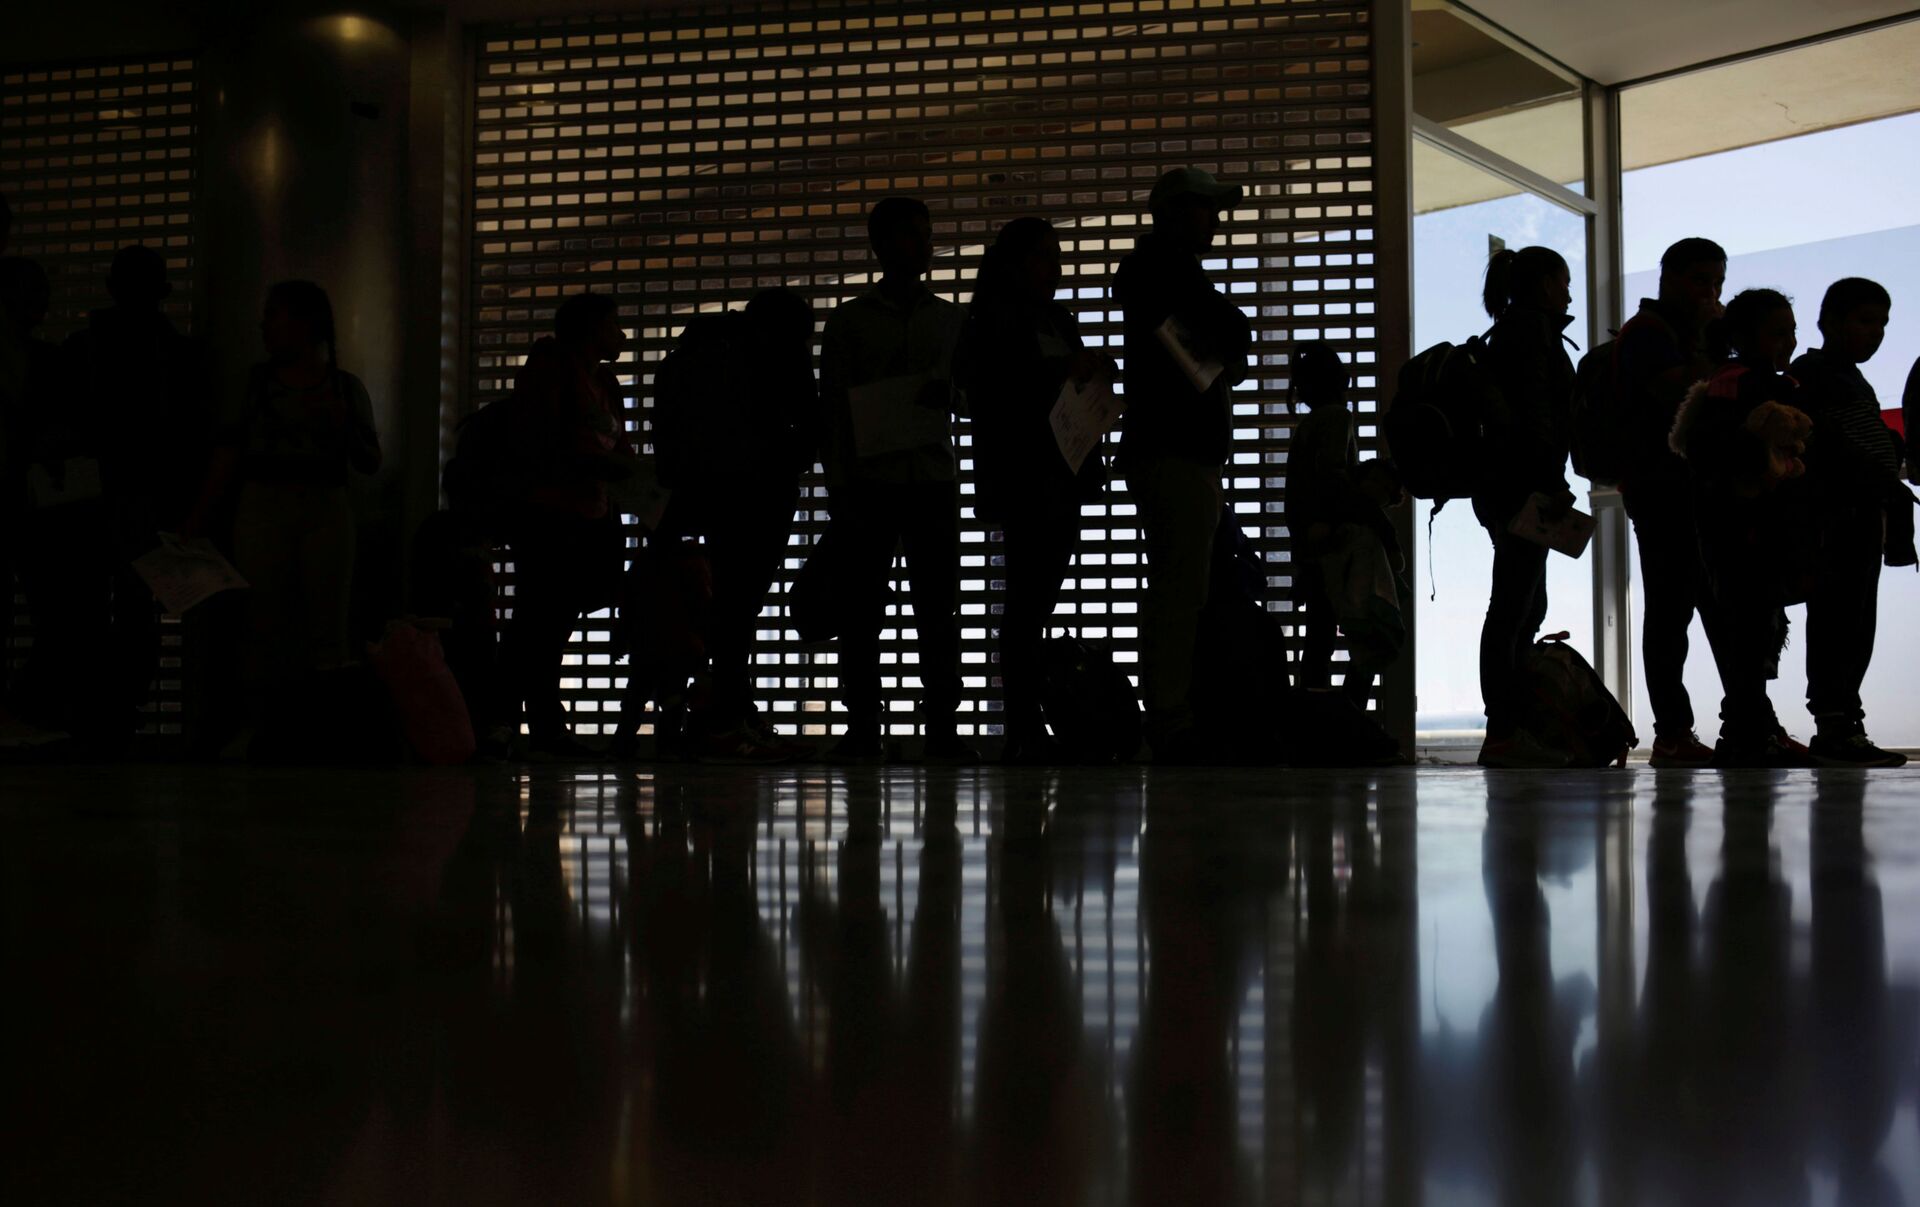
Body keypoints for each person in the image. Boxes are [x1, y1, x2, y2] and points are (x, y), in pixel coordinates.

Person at [187, 280, 381, 752]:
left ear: (305, 323)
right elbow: (228, 451)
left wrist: (343, 425)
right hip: (276, 503)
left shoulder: (337, 388)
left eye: (275, 315)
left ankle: (302, 729)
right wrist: (199, 516)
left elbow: (369, 459)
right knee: (266, 622)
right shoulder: (262, 385)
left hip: (310, 503)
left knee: (317, 623)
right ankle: (280, 728)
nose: (264, 325)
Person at [818, 196, 972, 763]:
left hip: (923, 478)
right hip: (876, 483)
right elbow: (833, 412)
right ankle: (868, 727)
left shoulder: (950, 320)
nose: (925, 245)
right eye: (913, 235)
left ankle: (933, 729)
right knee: (867, 612)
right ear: (881, 246)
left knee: (934, 609)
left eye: (926, 234)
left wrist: (949, 395)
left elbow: (972, 397)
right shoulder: (851, 323)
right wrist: (839, 485)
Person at [954, 217, 1110, 764]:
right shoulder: (992, 322)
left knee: (1033, 603)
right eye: (1045, 256)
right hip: (1025, 477)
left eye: (1057, 256)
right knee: (1026, 604)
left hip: (1063, 473)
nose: (1056, 268)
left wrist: (1092, 373)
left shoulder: (1056, 319)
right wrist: (1062, 368)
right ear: (1016, 263)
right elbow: (990, 390)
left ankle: (1027, 724)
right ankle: (1022, 725)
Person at [644, 287, 819, 762]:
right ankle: (727, 718)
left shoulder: (687, 357)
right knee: (740, 608)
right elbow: (808, 420)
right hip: (762, 496)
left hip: (703, 497)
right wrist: (789, 462)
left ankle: (726, 713)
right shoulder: (779, 356)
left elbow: (667, 434)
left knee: (726, 608)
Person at [49, 245, 211, 747]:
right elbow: (192, 436)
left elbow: (62, 425)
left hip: (93, 501)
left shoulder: (85, 348)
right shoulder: (177, 354)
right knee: (136, 611)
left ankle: (93, 713)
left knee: (87, 609)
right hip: (147, 500)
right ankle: (119, 712)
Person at [1114, 168, 1250, 762]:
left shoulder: (1158, 276)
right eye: (1205, 209)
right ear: (1174, 213)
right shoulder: (1166, 275)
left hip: (1172, 451)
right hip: (1177, 452)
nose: (1215, 221)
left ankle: (1172, 713)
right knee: (1179, 590)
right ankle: (1170, 718)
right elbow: (1234, 338)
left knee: (1178, 586)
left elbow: (1231, 342)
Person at [1668, 288, 1818, 768]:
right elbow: (1719, 456)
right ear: (1744, 337)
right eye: (1778, 332)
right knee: (1749, 631)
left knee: (1752, 630)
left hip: (1751, 530)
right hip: (1744, 531)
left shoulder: (1745, 384)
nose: (1788, 341)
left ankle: (1748, 728)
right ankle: (1746, 732)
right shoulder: (1739, 387)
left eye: (1791, 331)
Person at [498, 292, 632, 759]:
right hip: (549, 515)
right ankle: (513, 723)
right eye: (614, 324)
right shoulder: (551, 368)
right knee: (538, 621)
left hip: (589, 513)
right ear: (592, 329)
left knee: (550, 624)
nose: (622, 335)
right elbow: (542, 442)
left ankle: (538, 725)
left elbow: (619, 447)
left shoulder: (605, 382)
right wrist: (601, 466)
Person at [1790, 278, 1911, 767]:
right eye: (1865, 321)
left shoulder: (1844, 377)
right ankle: (1836, 725)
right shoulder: (1814, 375)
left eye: (1882, 324)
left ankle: (1843, 722)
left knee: (1855, 621)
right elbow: (1821, 445)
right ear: (1829, 322)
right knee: (1839, 621)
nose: (1875, 333)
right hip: (1836, 517)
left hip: (1860, 514)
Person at [1618, 237, 1730, 768]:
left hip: (1690, 490)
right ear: (1668, 278)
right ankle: (1672, 732)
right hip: (1662, 492)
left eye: (1717, 283)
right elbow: (1681, 395)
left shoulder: (1671, 332)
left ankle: (1741, 719)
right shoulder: (1648, 334)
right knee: (1670, 612)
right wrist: (1713, 346)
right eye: (1700, 281)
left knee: (1713, 609)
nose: (1711, 293)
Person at [1472, 246, 1577, 769]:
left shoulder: (1511, 331)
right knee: (1515, 607)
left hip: (1505, 487)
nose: (1569, 294)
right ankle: (1504, 730)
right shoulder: (1531, 333)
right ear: (1543, 285)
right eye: (1564, 283)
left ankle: (1510, 727)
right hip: (1525, 490)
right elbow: (1538, 415)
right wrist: (1551, 482)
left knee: (1521, 606)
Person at [1287, 340, 1405, 710]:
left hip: (1311, 551)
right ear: (1342, 379)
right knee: (1374, 630)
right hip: (1338, 550)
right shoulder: (1338, 418)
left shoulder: (1306, 427)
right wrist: (1379, 521)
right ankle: (1351, 713)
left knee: (1318, 642)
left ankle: (1315, 721)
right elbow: (1333, 479)